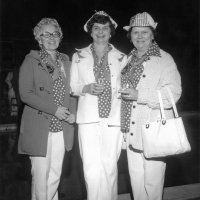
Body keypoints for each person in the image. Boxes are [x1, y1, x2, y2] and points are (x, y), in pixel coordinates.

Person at [120, 12, 182, 200]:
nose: (139, 36)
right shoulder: (127, 59)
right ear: (129, 36)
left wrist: (140, 95)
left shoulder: (164, 59)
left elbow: (174, 94)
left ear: (153, 34)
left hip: (154, 131)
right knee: (137, 185)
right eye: (135, 32)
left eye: (144, 32)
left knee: (152, 186)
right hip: (130, 131)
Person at [18, 18, 77, 200]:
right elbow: (25, 94)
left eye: (55, 34)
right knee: (40, 177)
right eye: (46, 34)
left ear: (60, 37)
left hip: (61, 126)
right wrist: (54, 109)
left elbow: (72, 91)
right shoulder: (31, 60)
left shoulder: (66, 62)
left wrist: (72, 113)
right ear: (38, 38)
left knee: (55, 174)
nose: (51, 37)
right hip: (39, 127)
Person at [70, 11, 125, 200]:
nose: (100, 32)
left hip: (113, 118)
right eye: (96, 28)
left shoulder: (122, 57)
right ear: (90, 31)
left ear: (111, 32)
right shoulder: (78, 56)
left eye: (105, 28)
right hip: (88, 119)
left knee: (109, 167)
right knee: (91, 168)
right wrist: (86, 87)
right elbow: (73, 87)